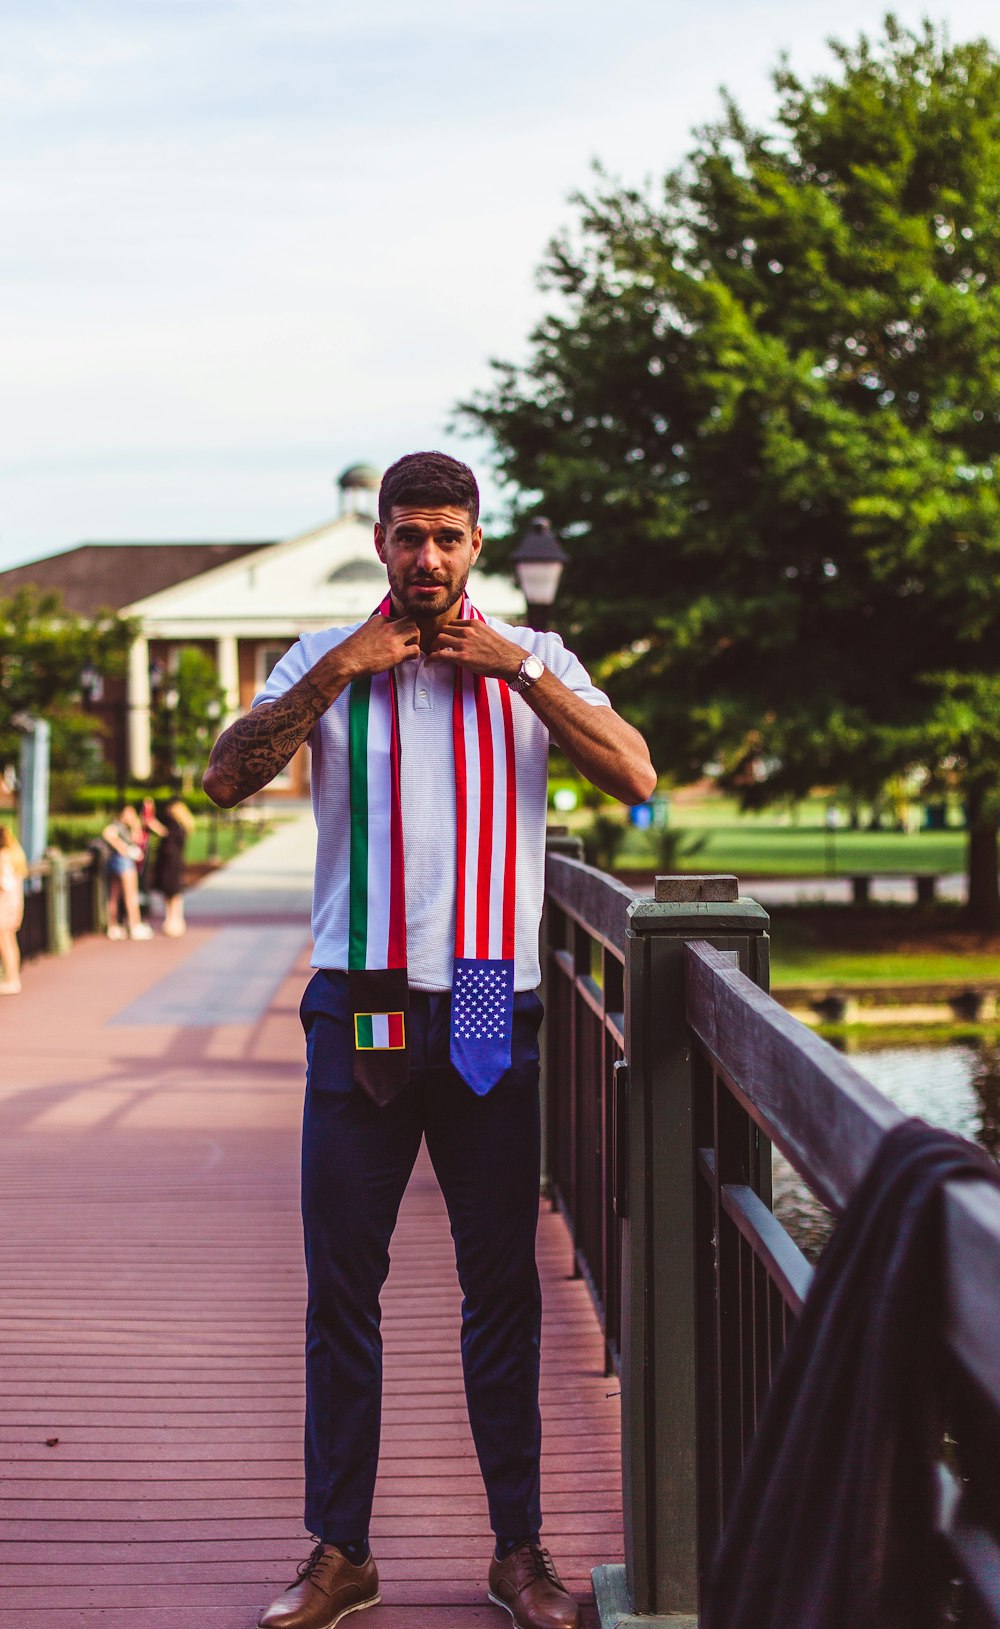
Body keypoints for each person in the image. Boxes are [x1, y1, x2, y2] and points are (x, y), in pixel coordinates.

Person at [204, 451, 656, 1629]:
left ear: (476, 541)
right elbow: (222, 781)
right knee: (341, 1288)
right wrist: (332, 677)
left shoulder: (536, 660)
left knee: (500, 1288)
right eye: (408, 536)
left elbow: (635, 777)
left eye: (448, 536)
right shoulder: (321, 658)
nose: (428, 557)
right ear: (382, 542)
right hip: (359, 1002)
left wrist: (518, 669)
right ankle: (339, 1553)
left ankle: (519, 1554)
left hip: (482, 1003)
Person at [101, 804, 154, 940]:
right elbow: (107, 834)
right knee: (130, 895)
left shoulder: (127, 828)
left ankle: (114, 926)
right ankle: (133, 925)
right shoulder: (116, 826)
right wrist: (123, 848)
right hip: (123, 862)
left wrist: (135, 825)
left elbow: (137, 839)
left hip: (119, 862)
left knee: (115, 895)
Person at [151, 798, 195, 936]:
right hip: (168, 863)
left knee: (174, 892)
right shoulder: (174, 824)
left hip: (173, 863)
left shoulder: (179, 826)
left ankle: (176, 920)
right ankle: (170, 920)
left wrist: (158, 829)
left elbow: (170, 839)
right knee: (168, 892)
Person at [0, 826, 28, 994]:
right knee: (10, 941)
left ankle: (11, 980)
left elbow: (4, 883)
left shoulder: (3, 857)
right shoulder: (16, 856)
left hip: (4, 905)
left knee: (4, 942)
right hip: (14, 903)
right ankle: (13, 978)